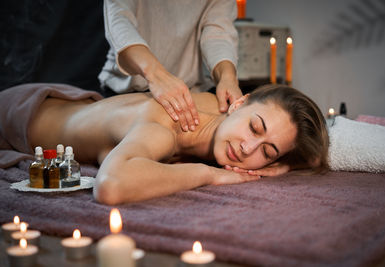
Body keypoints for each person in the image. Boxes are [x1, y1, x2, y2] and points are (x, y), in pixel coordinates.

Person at [0, 83, 328, 204]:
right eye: (255, 128)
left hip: (70, 106)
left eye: (266, 152)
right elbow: (110, 186)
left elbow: (312, 157)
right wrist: (208, 174)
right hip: (17, 118)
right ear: (239, 103)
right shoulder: (162, 130)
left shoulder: (218, 108)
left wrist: (283, 163)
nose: (247, 149)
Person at [99, 0, 242, 133]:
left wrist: (227, 77)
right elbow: (119, 21)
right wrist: (155, 74)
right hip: (125, 90)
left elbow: (218, 34)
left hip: (189, 94)